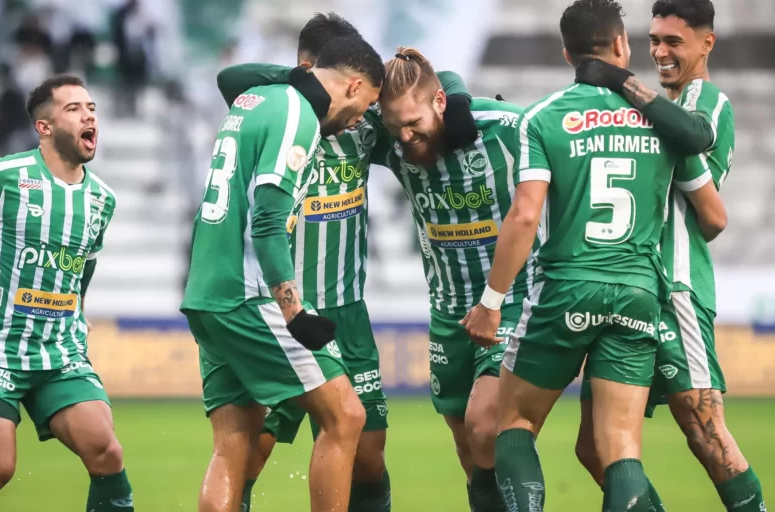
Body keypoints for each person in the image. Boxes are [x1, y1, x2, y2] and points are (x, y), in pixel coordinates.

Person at [460, 0, 723, 509]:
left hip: (566, 287)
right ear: (622, 45)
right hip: (637, 292)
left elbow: (524, 216)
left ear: (566, 53)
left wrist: (492, 301)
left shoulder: (542, 117)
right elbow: (713, 217)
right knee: (620, 448)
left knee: (512, 424)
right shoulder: (663, 121)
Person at [211, 14, 478, 512]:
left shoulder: (363, 125)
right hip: (277, 313)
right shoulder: (281, 116)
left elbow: (430, 83)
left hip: (345, 314)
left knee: (368, 456)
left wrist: (458, 99)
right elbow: (230, 79)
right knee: (251, 452)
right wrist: (301, 80)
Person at [571, 1, 767, 510]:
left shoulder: (708, 103)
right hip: (626, 289)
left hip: (674, 288)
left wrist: (619, 84)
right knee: (594, 448)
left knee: (706, 433)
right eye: (654, 40)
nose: (659, 51)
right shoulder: (654, 109)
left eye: (673, 42)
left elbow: (712, 215)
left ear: (707, 43)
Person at [179, 33, 385, 512]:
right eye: (363, 107)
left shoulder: (257, 100)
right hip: (249, 294)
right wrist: (293, 309)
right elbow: (268, 218)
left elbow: (233, 79)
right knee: (346, 417)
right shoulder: (298, 114)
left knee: (235, 443)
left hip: (206, 291)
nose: (357, 121)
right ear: (353, 87)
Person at [0, 74, 132, 512]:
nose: (89, 114)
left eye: (91, 107)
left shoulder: (102, 200)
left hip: (59, 351)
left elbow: (84, 265)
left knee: (106, 452)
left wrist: (80, 307)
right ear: (45, 127)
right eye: (74, 109)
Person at [368, 47, 538, 512]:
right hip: (447, 313)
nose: (404, 136)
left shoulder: (504, 126)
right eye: (394, 126)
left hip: (510, 303)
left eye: (413, 123)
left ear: (440, 102)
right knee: (469, 452)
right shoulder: (391, 139)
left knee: (487, 428)